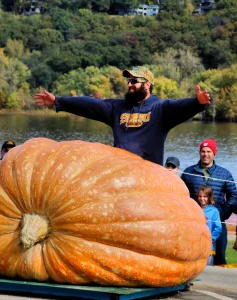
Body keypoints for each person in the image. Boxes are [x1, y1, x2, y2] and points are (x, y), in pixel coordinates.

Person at [34, 66, 211, 165]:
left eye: (134, 81)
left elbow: (182, 106)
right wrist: (59, 101)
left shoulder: (160, 109)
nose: (130, 85)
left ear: (147, 85)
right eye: (128, 81)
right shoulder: (117, 108)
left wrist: (198, 102)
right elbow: (89, 105)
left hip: (148, 177)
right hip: (119, 172)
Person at [181, 139, 237, 265]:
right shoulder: (188, 172)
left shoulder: (224, 174)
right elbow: (182, 194)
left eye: (208, 151)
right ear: (199, 153)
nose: (205, 154)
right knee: (193, 255)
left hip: (217, 220)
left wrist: (223, 213)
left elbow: (233, 195)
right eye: (203, 151)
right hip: (195, 221)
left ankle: (221, 283)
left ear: (214, 153)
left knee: (220, 256)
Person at [197, 185, 222, 265]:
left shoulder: (214, 211)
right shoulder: (195, 208)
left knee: (207, 269)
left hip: (208, 247)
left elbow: (218, 228)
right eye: (200, 196)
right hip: (195, 246)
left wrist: (210, 239)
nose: (202, 198)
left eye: (205, 196)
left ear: (209, 197)